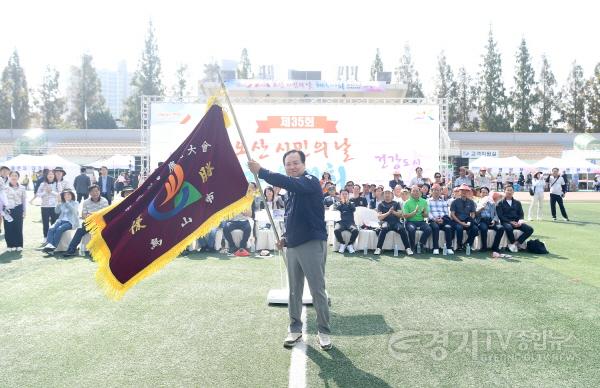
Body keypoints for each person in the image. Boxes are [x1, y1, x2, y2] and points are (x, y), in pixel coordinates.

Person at [249, 150, 331, 351]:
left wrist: (261, 171)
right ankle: (295, 329)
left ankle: (324, 331)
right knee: (294, 290)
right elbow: (293, 218)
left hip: (312, 243)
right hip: (293, 245)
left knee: (317, 289)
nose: (292, 166)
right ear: (284, 166)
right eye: (288, 164)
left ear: (304, 164)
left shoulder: (309, 181)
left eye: (296, 163)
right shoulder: (291, 191)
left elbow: (290, 182)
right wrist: (285, 238)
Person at [62, 185, 109, 257]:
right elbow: (83, 215)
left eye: (96, 191)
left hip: (100, 222)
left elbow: (104, 214)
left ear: (99, 192)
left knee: (98, 232)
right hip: (89, 222)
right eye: (92, 191)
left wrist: (92, 215)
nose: (95, 193)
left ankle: (94, 251)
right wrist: (89, 216)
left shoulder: (104, 201)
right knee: (79, 230)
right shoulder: (86, 202)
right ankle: (71, 250)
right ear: (89, 193)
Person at [496, 186, 534, 252]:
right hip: (506, 222)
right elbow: (500, 216)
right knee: (509, 228)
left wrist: (519, 222)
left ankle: (515, 244)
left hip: (517, 222)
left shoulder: (517, 203)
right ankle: (513, 243)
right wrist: (510, 222)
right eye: (508, 190)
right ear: (504, 191)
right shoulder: (500, 203)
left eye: (511, 190)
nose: (509, 192)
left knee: (530, 229)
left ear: (513, 192)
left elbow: (521, 214)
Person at [374, 188, 411, 256]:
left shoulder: (396, 203)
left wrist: (393, 212)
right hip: (385, 222)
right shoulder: (380, 204)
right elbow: (379, 217)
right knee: (383, 229)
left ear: (392, 195)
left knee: (402, 229)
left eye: (389, 193)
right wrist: (388, 213)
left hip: (396, 223)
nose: (387, 195)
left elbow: (400, 215)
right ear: (383, 195)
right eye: (386, 193)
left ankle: (408, 248)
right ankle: (378, 248)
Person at [43, 189, 80, 254]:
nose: (67, 196)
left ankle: (52, 248)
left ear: (72, 195)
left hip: (71, 222)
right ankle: (49, 246)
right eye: (65, 195)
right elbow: (56, 211)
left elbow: (73, 211)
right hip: (61, 220)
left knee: (59, 229)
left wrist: (67, 202)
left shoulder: (75, 203)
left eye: (68, 194)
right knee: (51, 229)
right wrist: (58, 203)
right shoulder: (62, 203)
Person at [31, 170, 60, 240]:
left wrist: (51, 192)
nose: (50, 175)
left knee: (54, 222)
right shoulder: (42, 184)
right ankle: (45, 237)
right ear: (46, 176)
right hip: (44, 206)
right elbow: (38, 194)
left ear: (54, 176)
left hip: (54, 206)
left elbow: (60, 194)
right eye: (49, 174)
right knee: (45, 222)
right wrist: (45, 192)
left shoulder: (57, 184)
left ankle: (53, 236)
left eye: (52, 174)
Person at [475, 187, 504, 255]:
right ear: (480, 193)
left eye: (486, 193)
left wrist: (494, 220)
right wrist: (481, 208)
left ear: (488, 194)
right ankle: (484, 247)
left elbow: (496, 215)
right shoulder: (476, 202)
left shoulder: (492, 203)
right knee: (483, 228)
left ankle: (495, 247)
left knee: (501, 228)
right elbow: (475, 214)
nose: (484, 194)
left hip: (491, 220)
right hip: (482, 220)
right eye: (483, 192)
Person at [403, 185, 432, 253]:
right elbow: (405, 216)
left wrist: (424, 213)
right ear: (411, 193)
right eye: (414, 191)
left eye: (417, 191)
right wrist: (414, 212)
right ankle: (412, 247)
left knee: (429, 229)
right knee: (411, 229)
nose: (416, 193)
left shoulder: (424, 201)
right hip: (410, 221)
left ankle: (420, 244)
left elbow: (426, 215)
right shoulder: (407, 202)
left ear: (420, 192)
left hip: (421, 221)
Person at [450, 184, 479, 251]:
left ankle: (467, 244)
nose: (464, 192)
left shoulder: (471, 202)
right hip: (457, 221)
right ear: (459, 192)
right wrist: (461, 223)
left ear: (469, 192)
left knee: (475, 228)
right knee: (459, 228)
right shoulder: (454, 202)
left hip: (467, 221)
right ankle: (459, 245)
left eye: (466, 191)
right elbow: (452, 215)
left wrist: (469, 222)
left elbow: (473, 213)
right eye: (462, 191)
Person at [427, 183, 454, 255]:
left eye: (438, 190)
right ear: (431, 191)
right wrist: (435, 219)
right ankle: (435, 248)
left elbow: (446, 213)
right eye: (434, 190)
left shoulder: (443, 201)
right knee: (435, 227)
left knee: (448, 227)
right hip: (433, 220)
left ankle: (449, 248)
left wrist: (442, 219)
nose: (436, 192)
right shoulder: (428, 201)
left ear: (440, 191)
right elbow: (428, 213)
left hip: (443, 220)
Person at [4, 171, 26, 251]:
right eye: (12, 176)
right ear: (9, 177)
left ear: (18, 177)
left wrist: (24, 211)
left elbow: (24, 201)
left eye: (15, 176)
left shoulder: (22, 188)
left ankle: (19, 244)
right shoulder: (5, 188)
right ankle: (10, 245)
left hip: (18, 208)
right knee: (8, 227)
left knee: (18, 227)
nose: (14, 177)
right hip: (7, 210)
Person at [333, 189, 359, 253]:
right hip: (340, 222)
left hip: (350, 222)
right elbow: (337, 209)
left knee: (355, 230)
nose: (344, 195)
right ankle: (342, 243)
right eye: (343, 194)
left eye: (346, 194)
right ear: (340, 195)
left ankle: (350, 245)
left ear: (348, 195)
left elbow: (353, 209)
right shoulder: (337, 203)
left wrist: (348, 203)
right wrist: (342, 202)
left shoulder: (352, 203)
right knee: (336, 230)